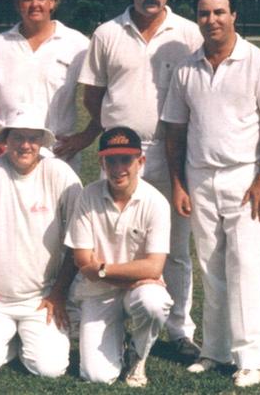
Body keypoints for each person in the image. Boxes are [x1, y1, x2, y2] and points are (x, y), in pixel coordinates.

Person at [76, 0, 202, 357]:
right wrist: (115, 133)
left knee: (176, 249)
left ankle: (180, 330)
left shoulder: (188, 34)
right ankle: (115, 319)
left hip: (171, 153)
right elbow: (93, 95)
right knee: (111, 242)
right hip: (119, 156)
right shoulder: (107, 33)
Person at [162, 0, 260, 388]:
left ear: (234, 15)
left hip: (246, 179)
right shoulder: (187, 68)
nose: (212, 20)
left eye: (219, 12)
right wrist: (178, 184)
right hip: (200, 177)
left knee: (247, 266)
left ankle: (251, 357)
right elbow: (175, 130)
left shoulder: (256, 62)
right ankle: (215, 351)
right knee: (211, 267)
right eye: (204, 13)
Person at [0, 107, 82, 378]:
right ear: (6, 139)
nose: (25, 145)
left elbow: (80, 236)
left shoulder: (60, 173)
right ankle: (12, 339)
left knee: (50, 370)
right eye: (17, 138)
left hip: (43, 298)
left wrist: (59, 293)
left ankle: (24, 338)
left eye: (32, 138)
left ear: (41, 142)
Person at [65, 127, 173, 387]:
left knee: (153, 302)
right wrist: (126, 275)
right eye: (110, 160)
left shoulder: (156, 202)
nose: (118, 168)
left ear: (141, 162)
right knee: (97, 376)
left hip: (140, 289)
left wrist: (102, 268)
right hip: (99, 291)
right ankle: (119, 343)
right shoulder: (87, 195)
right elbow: (82, 260)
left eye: (126, 160)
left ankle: (139, 355)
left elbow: (155, 265)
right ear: (101, 161)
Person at [0, 0, 93, 172]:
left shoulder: (77, 44)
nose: (35, 4)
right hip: (7, 154)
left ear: (53, 1)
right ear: (18, 4)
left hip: (58, 155)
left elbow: (103, 92)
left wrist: (86, 136)